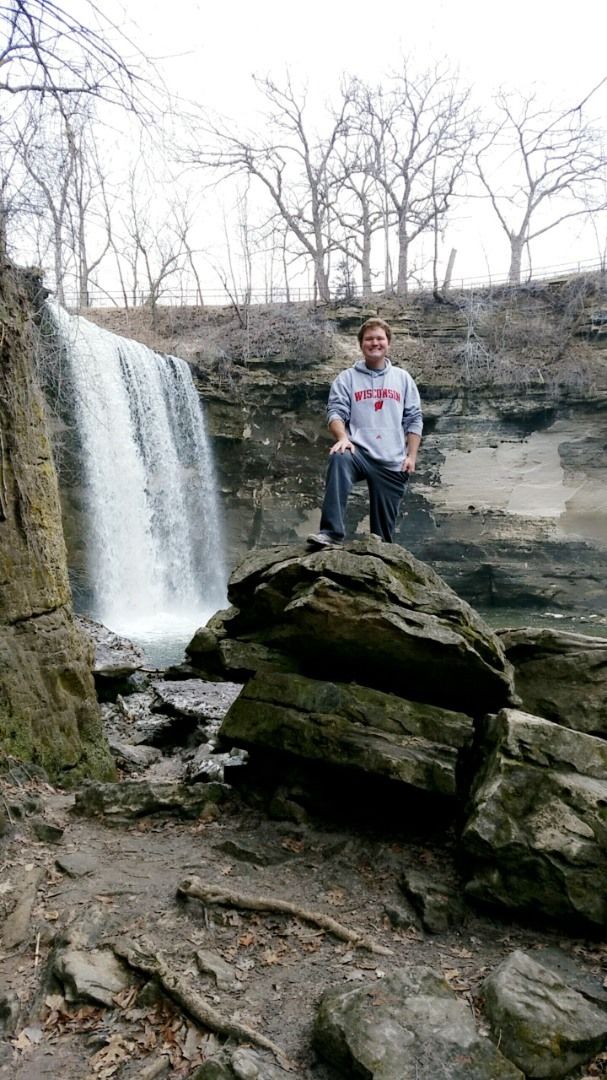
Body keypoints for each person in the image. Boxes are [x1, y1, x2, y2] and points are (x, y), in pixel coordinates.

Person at [307, 317, 422, 547]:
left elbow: (414, 418)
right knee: (340, 456)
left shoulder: (403, 379)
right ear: (361, 344)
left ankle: (380, 555)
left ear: (388, 343)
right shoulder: (346, 379)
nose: (375, 343)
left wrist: (411, 456)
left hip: (392, 460)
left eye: (380, 338)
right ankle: (331, 533)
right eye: (369, 339)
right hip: (359, 453)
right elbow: (335, 413)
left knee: (382, 541)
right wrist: (342, 438)